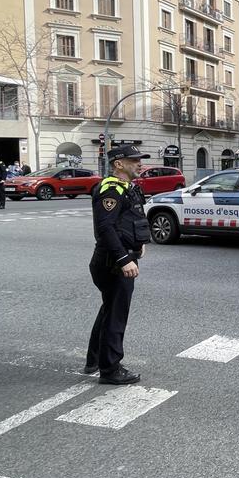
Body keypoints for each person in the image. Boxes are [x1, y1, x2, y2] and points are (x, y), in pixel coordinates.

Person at [85, 145, 152, 385]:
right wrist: (124, 258)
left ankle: (94, 359)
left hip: (120, 256)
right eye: (133, 160)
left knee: (109, 309)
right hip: (113, 261)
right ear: (118, 164)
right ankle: (110, 369)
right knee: (116, 314)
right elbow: (105, 228)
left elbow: (129, 221)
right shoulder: (111, 189)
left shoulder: (127, 187)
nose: (139, 164)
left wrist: (139, 244)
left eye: (139, 160)